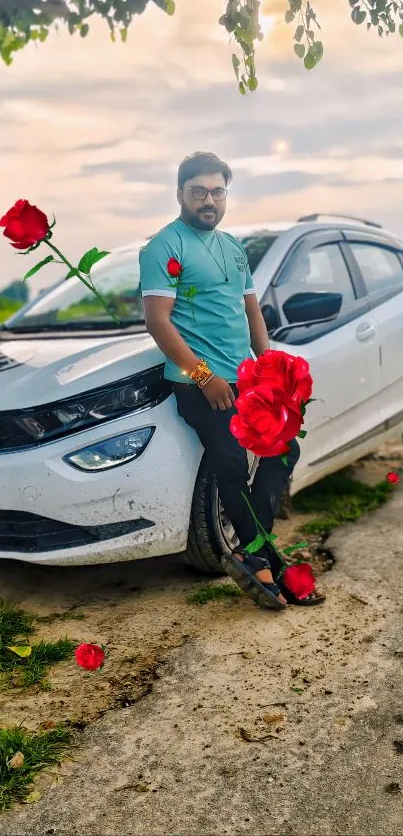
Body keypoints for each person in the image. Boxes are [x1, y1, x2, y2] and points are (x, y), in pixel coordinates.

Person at [140, 151, 324, 610]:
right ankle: (267, 563)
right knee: (231, 466)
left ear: (226, 194)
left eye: (217, 191)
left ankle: (254, 553)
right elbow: (159, 322)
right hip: (201, 385)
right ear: (180, 193)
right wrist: (204, 377)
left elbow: (251, 311)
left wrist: (271, 370)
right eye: (199, 191)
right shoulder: (164, 246)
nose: (209, 200)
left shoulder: (232, 247)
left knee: (285, 449)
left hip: (246, 379)